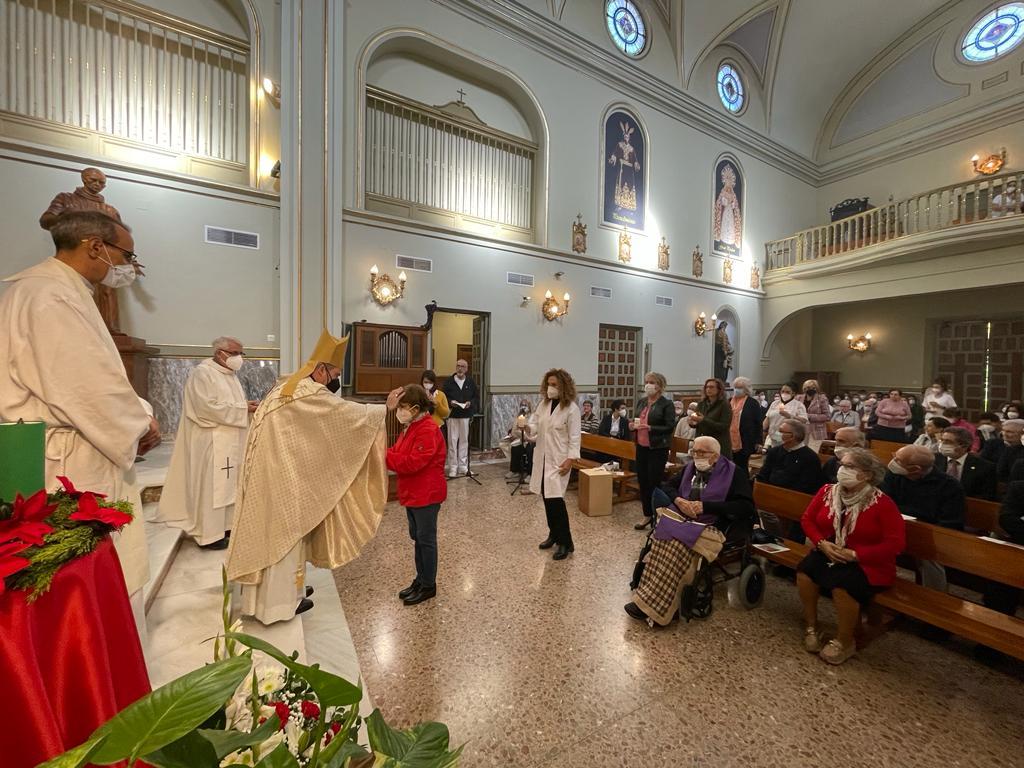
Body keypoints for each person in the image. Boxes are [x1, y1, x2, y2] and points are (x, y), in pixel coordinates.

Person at [0, 211, 159, 623]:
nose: (128, 266)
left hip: (75, 445)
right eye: (126, 254)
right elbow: (87, 386)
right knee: (88, 594)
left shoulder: (52, 288)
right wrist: (142, 421)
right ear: (94, 246)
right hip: (72, 460)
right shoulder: (50, 294)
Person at [226, 330, 394, 623]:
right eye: (334, 374)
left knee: (277, 534)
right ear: (321, 370)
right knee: (283, 536)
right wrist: (384, 409)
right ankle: (277, 606)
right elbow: (341, 416)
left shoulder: (286, 388)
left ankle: (291, 592)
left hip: (270, 473)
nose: (334, 381)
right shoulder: (308, 395)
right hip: (282, 478)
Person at [625, 436, 755, 626]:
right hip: (685, 520)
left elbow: (745, 507)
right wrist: (679, 500)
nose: (696, 456)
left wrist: (706, 507)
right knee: (660, 539)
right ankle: (648, 597)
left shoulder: (734, 474)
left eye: (702, 453)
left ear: (716, 456)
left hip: (714, 524)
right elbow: (667, 486)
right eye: (694, 451)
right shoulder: (690, 468)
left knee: (677, 547)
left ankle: (660, 609)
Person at [797, 448, 905, 665]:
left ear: (865, 474)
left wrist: (856, 554)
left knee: (843, 586)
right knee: (805, 572)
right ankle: (812, 625)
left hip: (867, 562)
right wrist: (821, 543)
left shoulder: (881, 503)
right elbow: (807, 519)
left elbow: (896, 544)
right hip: (831, 550)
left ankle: (845, 640)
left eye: (848, 466)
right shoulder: (828, 491)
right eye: (841, 464)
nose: (841, 469)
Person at [158, 336, 258, 550]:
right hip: (211, 439)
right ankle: (208, 534)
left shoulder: (230, 375)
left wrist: (244, 405)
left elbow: (227, 403)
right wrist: (242, 409)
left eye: (241, 353)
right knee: (212, 486)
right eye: (235, 353)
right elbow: (205, 408)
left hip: (230, 438)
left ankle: (227, 526)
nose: (239, 357)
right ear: (220, 353)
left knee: (230, 482)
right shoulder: (203, 373)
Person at [387, 384, 447, 606]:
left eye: (402, 407)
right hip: (414, 493)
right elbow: (397, 451)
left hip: (426, 494)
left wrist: (383, 457)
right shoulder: (412, 426)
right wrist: (386, 453)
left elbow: (413, 462)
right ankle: (420, 580)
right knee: (418, 539)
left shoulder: (428, 429)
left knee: (426, 540)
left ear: (414, 407)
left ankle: (429, 585)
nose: (399, 411)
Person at [881, 444, 964, 593]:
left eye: (898, 460)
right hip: (893, 526)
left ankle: (933, 600)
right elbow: (884, 502)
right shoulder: (894, 474)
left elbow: (951, 522)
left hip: (929, 535)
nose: (893, 462)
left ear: (916, 469)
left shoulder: (949, 486)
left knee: (930, 557)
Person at [528, 369, 581, 561]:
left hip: (559, 460)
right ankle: (553, 534)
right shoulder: (544, 404)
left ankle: (566, 542)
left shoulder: (571, 409)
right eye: (549, 384)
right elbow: (534, 424)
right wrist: (526, 427)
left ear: (563, 387)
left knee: (556, 502)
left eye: (555, 385)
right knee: (546, 498)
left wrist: (570, 460)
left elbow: (575, 438)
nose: (550, 388)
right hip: (542, 459)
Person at [631, 372, 677, 530]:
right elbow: (637, 418)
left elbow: (670, 426)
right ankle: (647, 515)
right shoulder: (643, 401)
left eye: (652, 382)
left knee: (654, 482)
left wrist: (651, 428)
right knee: (643, 482)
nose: (648, 385)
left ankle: (659, 516)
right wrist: (633, 425)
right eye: (646, 381)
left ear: (659, 385)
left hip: (657, 447)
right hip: (641, 446)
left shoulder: (666, 404)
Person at [756, 420, 825, 496]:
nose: (778, 434)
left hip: (792, 497)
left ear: (793, 436)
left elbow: (807, 486)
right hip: (768, 493)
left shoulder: (810, 458)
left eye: (781, 431)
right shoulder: (774, 451)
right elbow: (763, 474)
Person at [441, 359, 478, 478]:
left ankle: (463, 466)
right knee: (452, 441)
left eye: (463, 366)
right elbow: (443, 397)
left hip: (465, 416)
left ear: (466, 369)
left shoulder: (470, 382)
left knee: (464, 441)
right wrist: (450, 402)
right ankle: (453, 467)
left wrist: (470, 403)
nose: (460, 368)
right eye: (458, 366)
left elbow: (476, 398)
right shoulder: (449, 382)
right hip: (453, 416)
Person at [938, 427, 997, 501]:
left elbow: (987, 496)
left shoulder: (985, 467)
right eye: (942, 440)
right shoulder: (934, 460)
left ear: (964, 446)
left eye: (948, 442)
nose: (942, 444)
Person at [728, 376, 764, 473]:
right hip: (729, 439)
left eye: (740, 388)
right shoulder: (729, 401)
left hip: (745, 439)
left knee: (741, 466)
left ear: (746, 389)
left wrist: (759, 441)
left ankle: (743, 485)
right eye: (735, 387)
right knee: (729, 466)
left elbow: (758, 423)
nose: (737, 390)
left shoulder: (752, 403)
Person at [690, 378, 732, 459]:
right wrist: (692, 423)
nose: (708, 389)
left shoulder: (724, 405)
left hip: (718, 442)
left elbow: (724, 426)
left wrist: (703, 420)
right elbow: (698, 422)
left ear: (719, 389)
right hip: (702, 442)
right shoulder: (701, 404)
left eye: (712, 387)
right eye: (707, 387)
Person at [763, 382, 807, 447]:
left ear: (793, 393)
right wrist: (762, 430)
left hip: (789, 438)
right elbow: (767, 418)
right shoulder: (774, 403)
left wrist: (790, 416)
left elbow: (804, 420)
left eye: (787, 392)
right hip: (773, 437)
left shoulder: (799, 405)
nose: (784, 394)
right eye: (782, 391)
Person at [505, 398, 535, 479]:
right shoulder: (519, 416)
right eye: (522, 405)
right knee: (515, 448)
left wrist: (527, 435)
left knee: (530, 450)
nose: (523, 407)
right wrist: (513, 435)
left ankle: (530, 473)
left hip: (530, 439)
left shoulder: (533, 416)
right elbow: (515, 429)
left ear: (529, 406)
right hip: (520, 438)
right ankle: (515, 471)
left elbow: (533, 429)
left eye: (525, 405)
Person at [802, 379, 831, 449]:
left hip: (816, 431)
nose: (811, 389)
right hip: (802, 430)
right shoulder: (799, 398)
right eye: (808, 388)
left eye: (813, 388)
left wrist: (809, 416)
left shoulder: (822, 399)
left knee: (812, 452)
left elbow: (827, 416)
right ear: (804, 388)